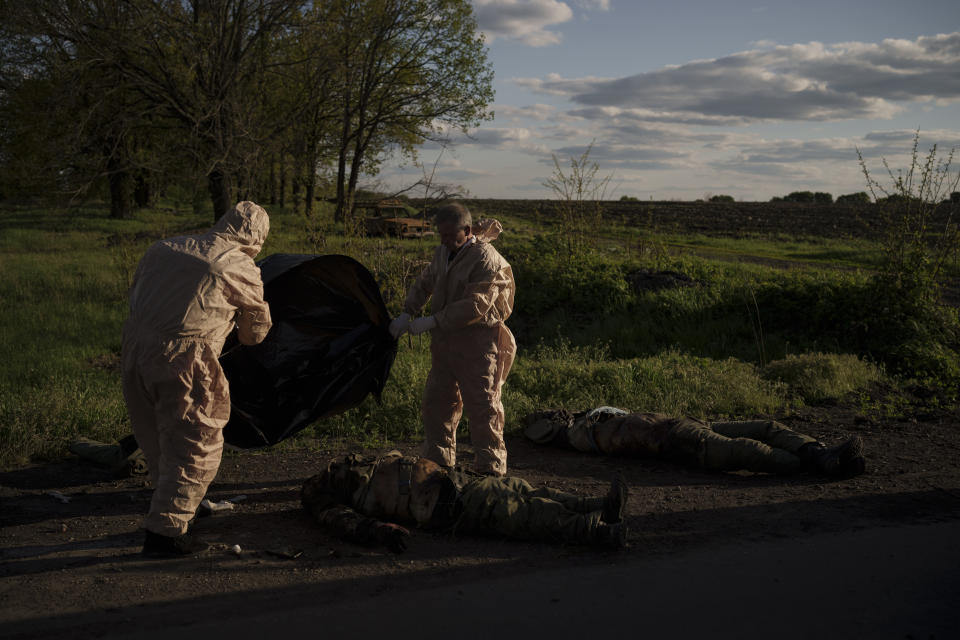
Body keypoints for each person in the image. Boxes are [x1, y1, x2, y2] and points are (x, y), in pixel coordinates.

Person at [122, 201, 272, 556]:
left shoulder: (164, 247)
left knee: (157, 433)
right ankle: (166, 533)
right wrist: (238, 333)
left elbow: (138, 293)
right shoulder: (237, 264)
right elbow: (256, 329)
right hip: (186, 361)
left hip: (135, 348)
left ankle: (182, 504)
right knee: (196, 442)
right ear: (257, 236)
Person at [389, 203, 516, 477]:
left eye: (449, 235)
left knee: (483, 406)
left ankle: (491, 470)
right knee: (438, 402)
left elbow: (476, 304)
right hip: (445, 344)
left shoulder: (485, 259)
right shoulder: (443, 252)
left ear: (467, 230)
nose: (444, 240)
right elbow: (425, 283)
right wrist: (407, 312)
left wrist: (433, 320)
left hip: (478, 343)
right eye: (441, 235)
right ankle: (439, 464)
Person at [301, 450, 628, 553]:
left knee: (523, 490)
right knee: (515, 511)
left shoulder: (355, 464)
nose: (330, 468)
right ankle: (593, 531)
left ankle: (596, 505)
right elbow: (339, 519)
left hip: (452, 480)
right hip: (437, 503)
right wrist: (376, 531)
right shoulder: (322, 491)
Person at [524, 407, 866, 477]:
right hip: (679, 441)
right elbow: (540, 431)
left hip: (686, 425)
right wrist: (554, 425)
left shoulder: (594, 419)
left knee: (764, 426)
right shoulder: (584, 435)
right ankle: (817, 465)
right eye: (552, 416)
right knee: (748, 451)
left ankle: (816, 450)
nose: (557, 412)